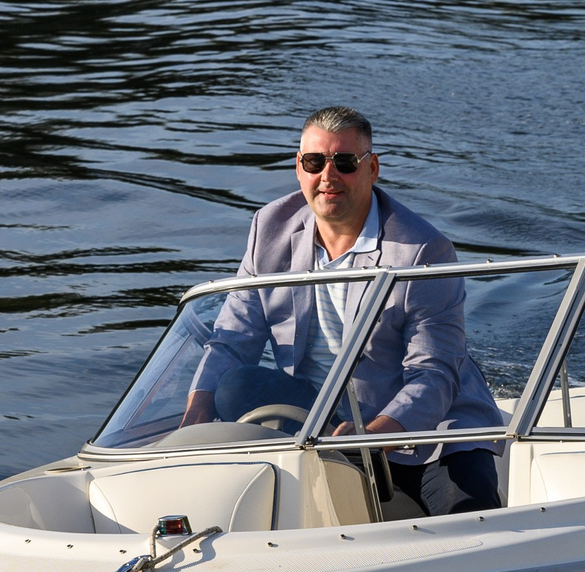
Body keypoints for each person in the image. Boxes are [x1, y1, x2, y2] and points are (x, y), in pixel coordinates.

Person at [181, 106, 504, 514]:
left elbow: (435, 374)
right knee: (232, 386)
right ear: (299, 169)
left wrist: (369, 439)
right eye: (314, 162)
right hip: (320, 417)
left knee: (471, 519)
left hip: (431, 429)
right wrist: (196, 411)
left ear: (372, 169)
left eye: (345, 163)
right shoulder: (269, 228)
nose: (328, 177)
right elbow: (232, 338)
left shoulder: (422, 250)